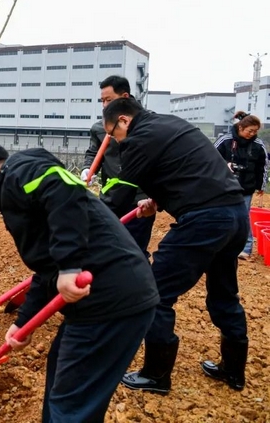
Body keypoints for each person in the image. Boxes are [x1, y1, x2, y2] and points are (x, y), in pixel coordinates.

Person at [0, 139, 158, 423]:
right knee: (61, 379)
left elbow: (63, 190)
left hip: (111, 301)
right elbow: (45, 269)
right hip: (100, 302)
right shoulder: (16, 197)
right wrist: (23, 322)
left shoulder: (20, 172)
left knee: (72, 402)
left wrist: (69, 266)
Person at [101, 98, 249, 393]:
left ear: (124, 121)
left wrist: (89, 219)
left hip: (205, 219)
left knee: (156, 293)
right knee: (224, 292)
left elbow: (119, 194)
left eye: (114, 135)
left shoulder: (138, 138)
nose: (117, 142)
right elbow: (183, 169)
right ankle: (233, 371)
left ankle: (156, 375)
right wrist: (156, 198)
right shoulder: (169, 124)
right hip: (233, 214)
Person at [81, 75, 155, 258]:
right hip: (110, 198)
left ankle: (140, 284)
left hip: (138, 199)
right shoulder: (100, 128)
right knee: (103, 245)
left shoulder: (148, 125)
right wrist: (88, 169)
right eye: (102, 101)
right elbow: (93, 152)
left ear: (124, 97)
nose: (105, 105)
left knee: (135, 250)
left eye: (109, 100)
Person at [214, 111, 267, 259]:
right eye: (250, 131)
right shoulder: (225, 140)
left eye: (255, 131)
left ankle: (246, 248)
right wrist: (226, 164)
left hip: (246, 187)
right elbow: (211, 156)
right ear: (241, 127)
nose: (252, 134)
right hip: (224, 186)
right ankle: (220, 245)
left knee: (243, 217)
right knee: (223, 215)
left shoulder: (258, 145)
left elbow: (263, 166)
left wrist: (261, 185)